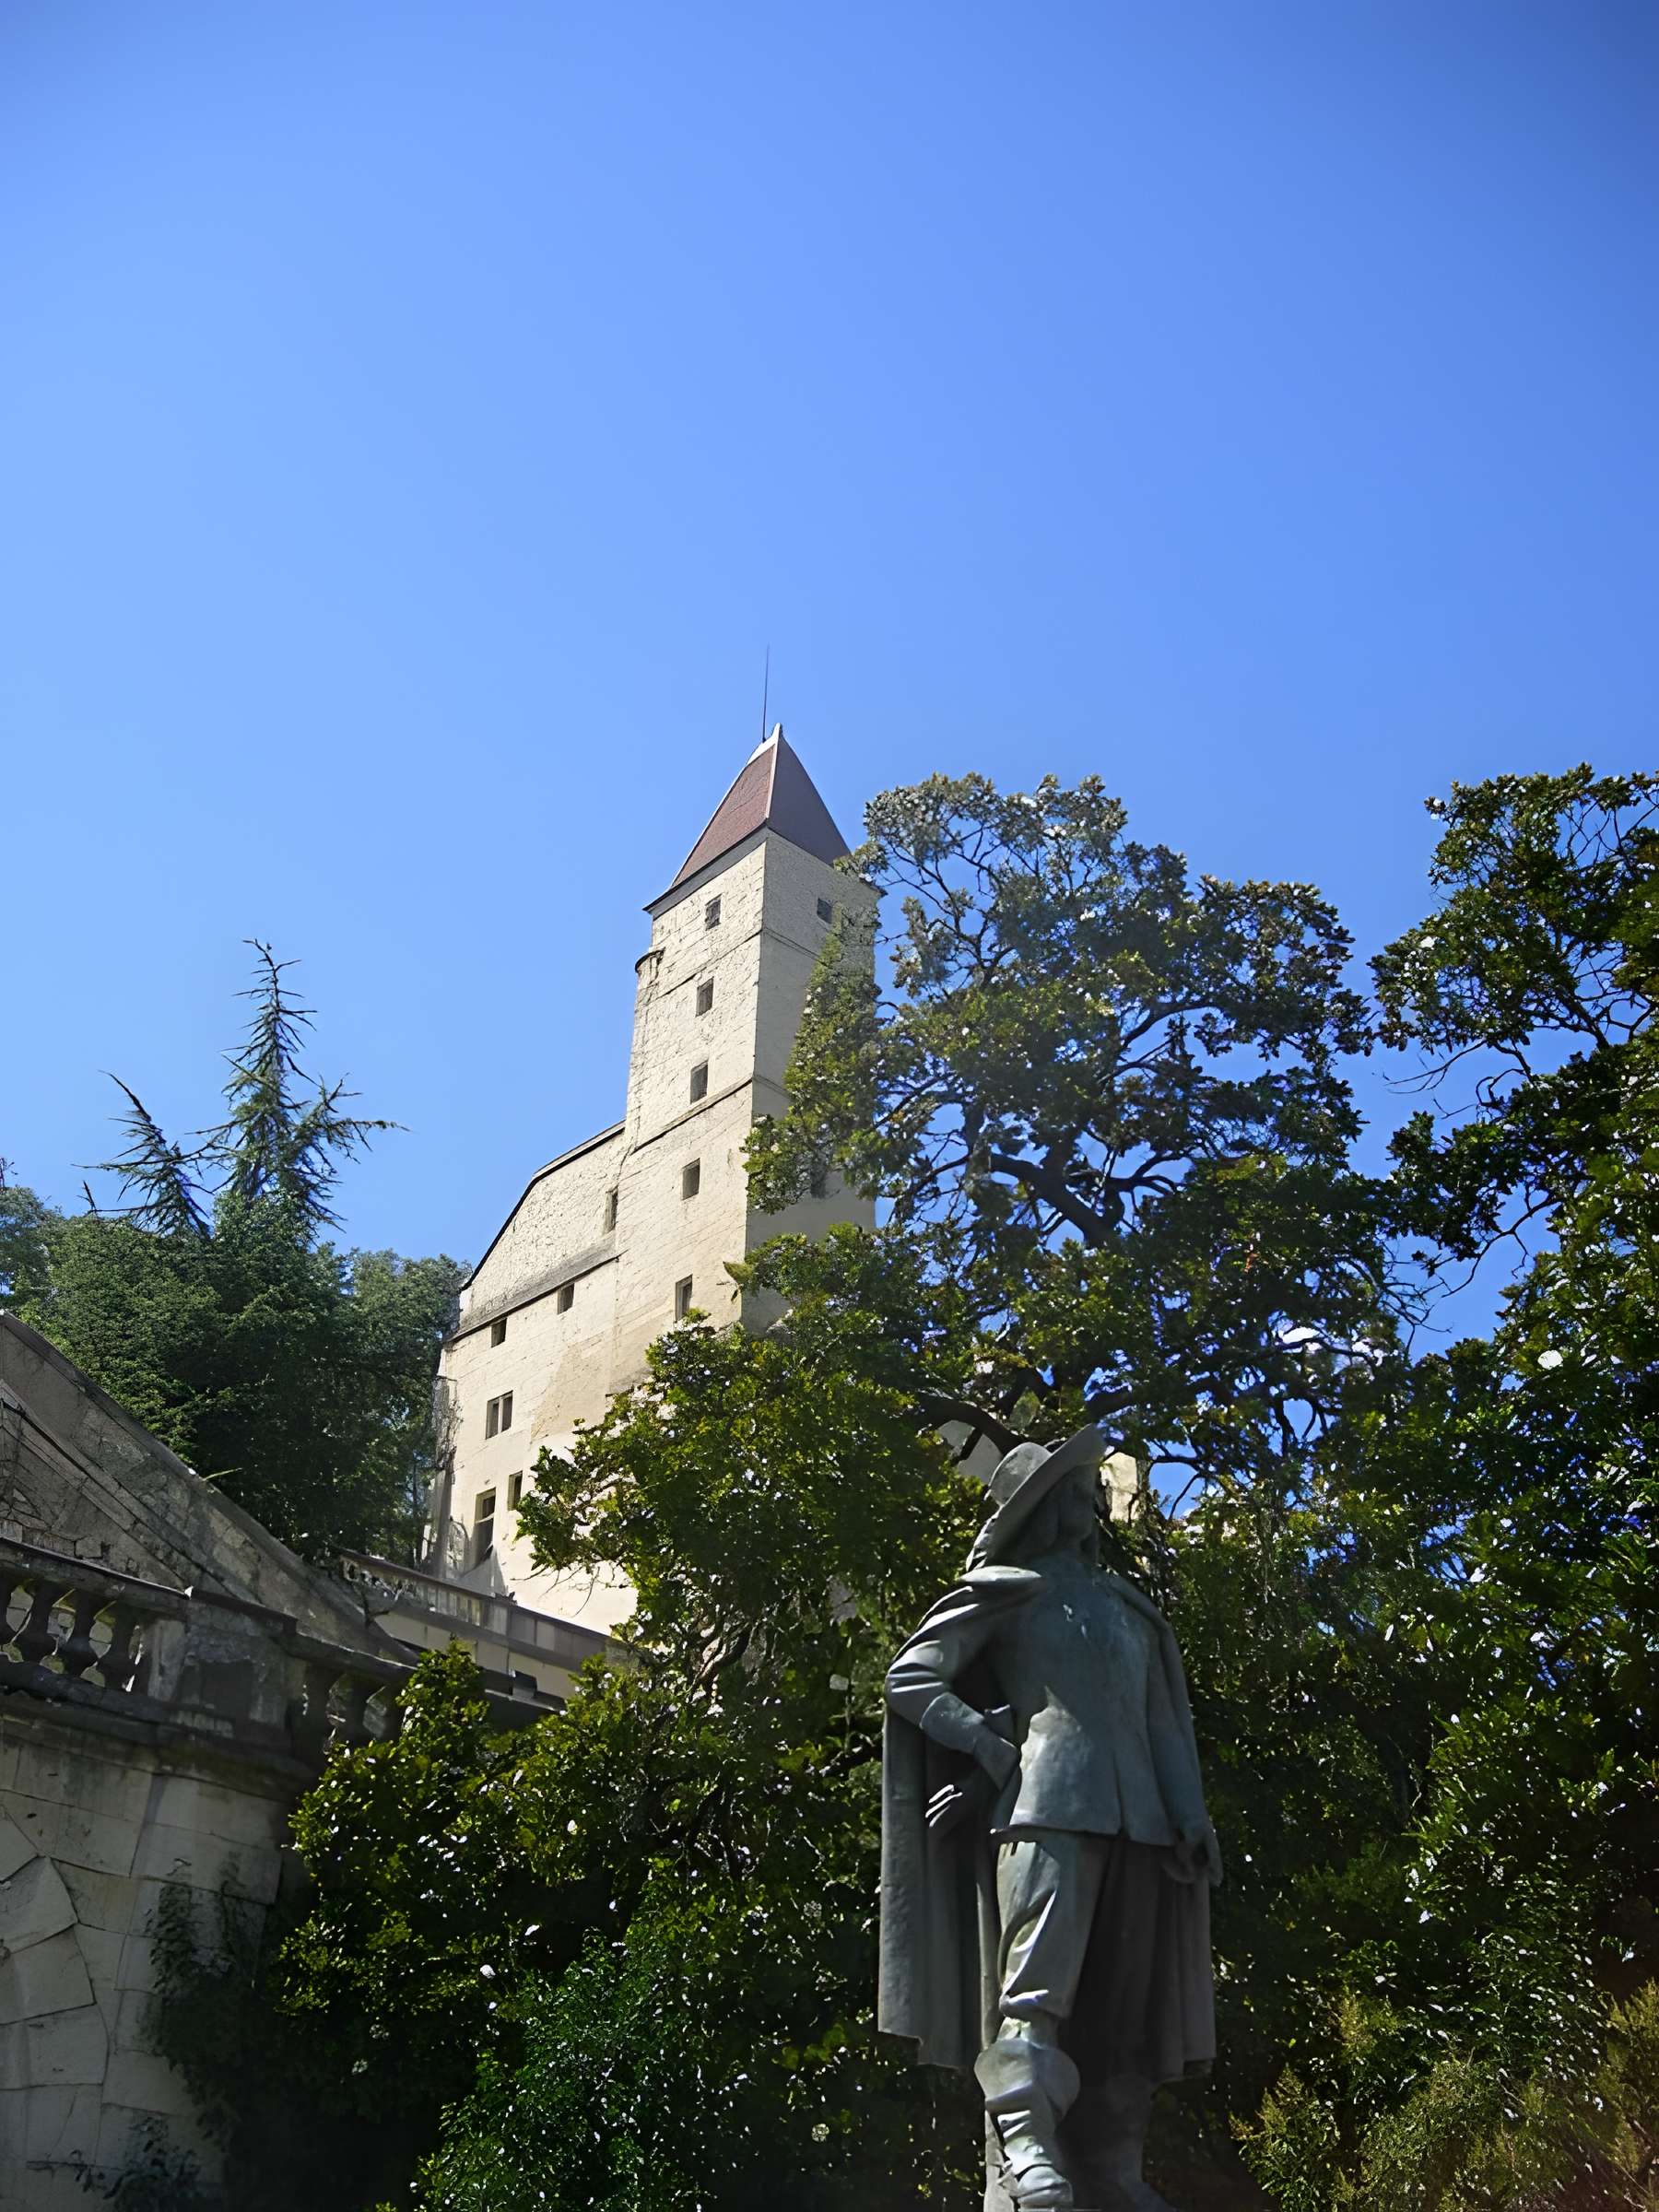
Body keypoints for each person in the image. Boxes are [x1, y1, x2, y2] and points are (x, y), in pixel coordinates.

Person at [879, 1426, 1219, 2212]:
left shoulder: (1132, 1610)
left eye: (1089, 1488)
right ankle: (1027, 2149)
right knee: (1034, 1995)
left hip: (1144, 1822)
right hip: (1046, 1807)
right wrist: (989, 1749)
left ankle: (1113, 2164)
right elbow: (911, 1678)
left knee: (1129, 2011)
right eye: (1072, 1490)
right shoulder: (1009, 1588)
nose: (1090, 1501)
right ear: (1043, 1508)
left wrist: (1190, 1813)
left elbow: (1165, 1721)